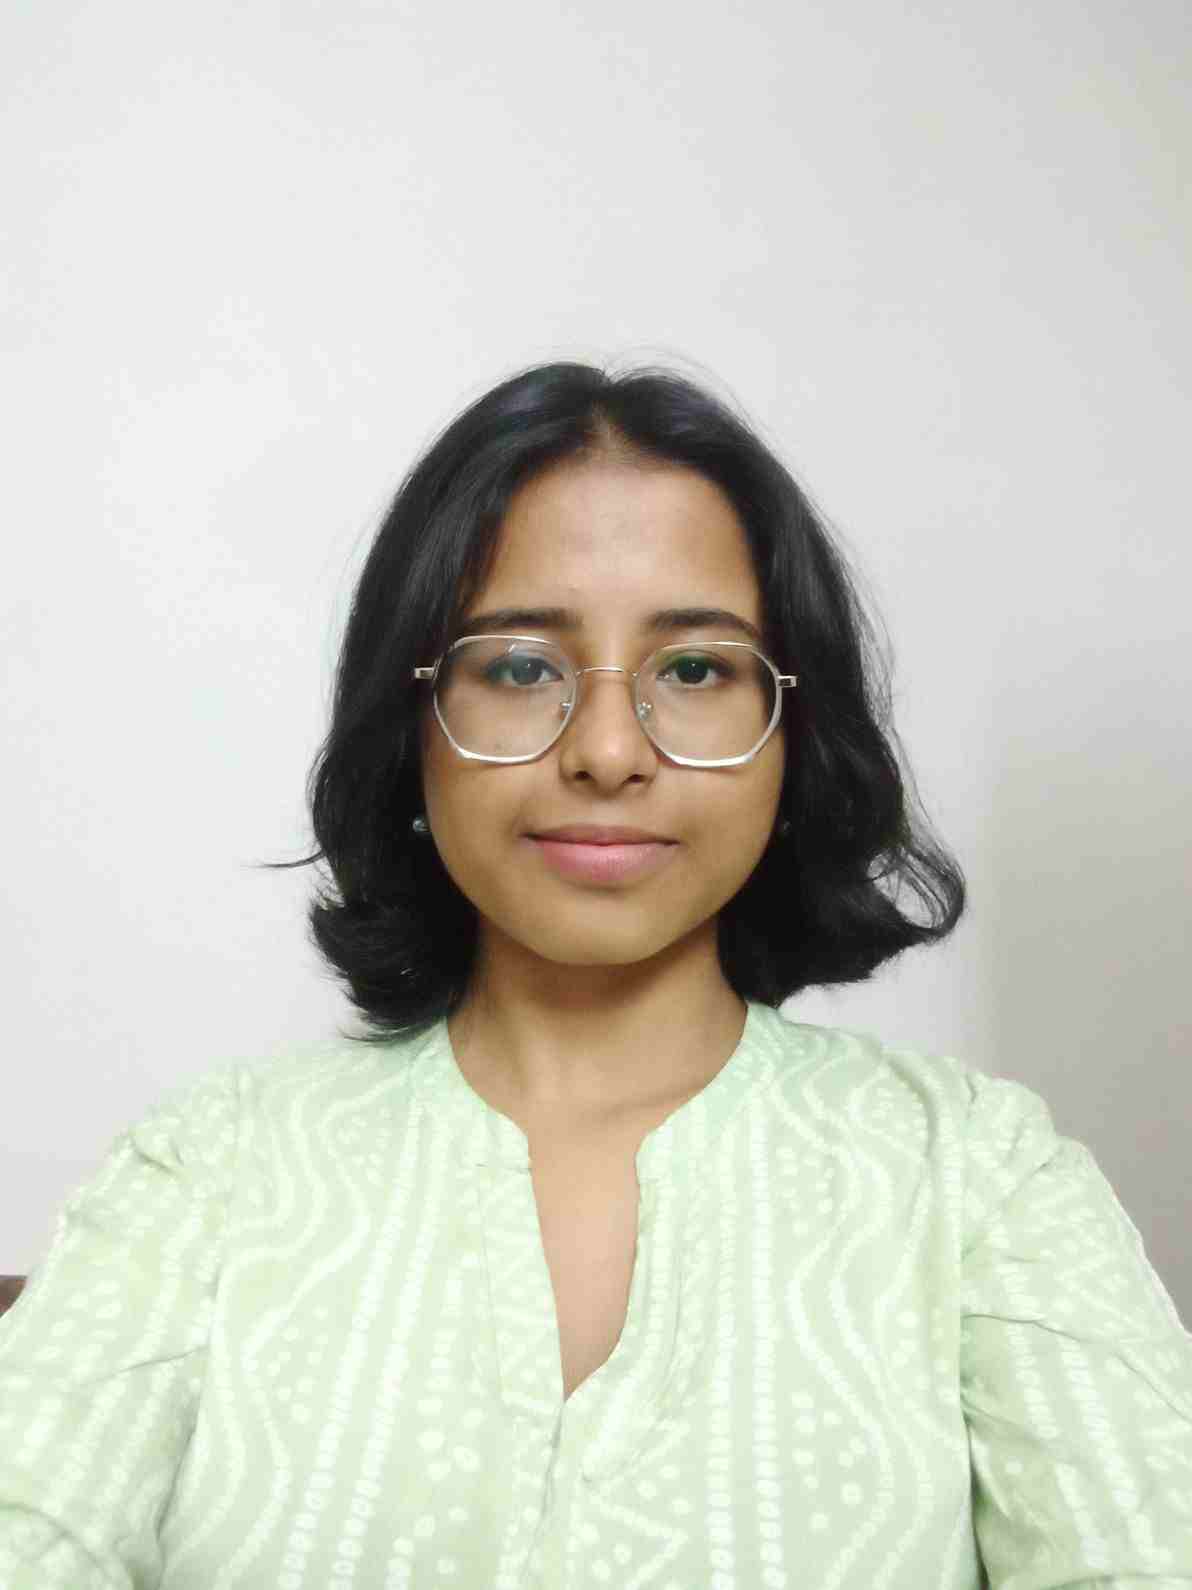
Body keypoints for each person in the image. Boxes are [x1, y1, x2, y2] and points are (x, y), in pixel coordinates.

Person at [1, 360, 1189, 1590]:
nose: (608, 751)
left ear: (794, 732)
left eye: (696, 670)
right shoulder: (208, 1172)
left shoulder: (979, 1179)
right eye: (520, 668)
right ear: (411, 722)